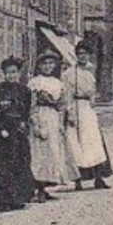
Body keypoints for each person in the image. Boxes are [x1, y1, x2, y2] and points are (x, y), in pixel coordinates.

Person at [0, 57, 37, 212]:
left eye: (14, 72)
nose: (11, 76)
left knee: (18, 163)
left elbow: (26, 112)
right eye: (8, 73)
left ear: (18, 73)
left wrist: (23, 125)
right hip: (0, 134)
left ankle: (17, 198)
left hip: (18, 133)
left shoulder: (25, 91)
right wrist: (1, 129)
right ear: (3, 73)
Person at [26, 50, 78, 201]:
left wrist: (62, 123)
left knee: (54, 153)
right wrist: (35, 124)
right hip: (41, 117)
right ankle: (38, 188)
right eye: (45, 64)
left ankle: (47, 187)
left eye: (51, 64)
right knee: (40, 153)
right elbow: (32, 105)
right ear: (39, 66)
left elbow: (62, 105)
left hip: (54, 118)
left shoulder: (58, 83)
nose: (48, 67)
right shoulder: (35, 82)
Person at [63, 42, 113, 189]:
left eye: (85, 54)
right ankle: (78, 180)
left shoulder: (91, 71)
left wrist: (92, 102)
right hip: (76, 108)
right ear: (76, 56)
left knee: (94, 142)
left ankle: (99, 177)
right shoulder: (69, 74)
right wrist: (70, 113)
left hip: (87, 110)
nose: (83, 56)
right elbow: (67, 95)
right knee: (77, 144)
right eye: (80, 54)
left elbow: (93, 91)